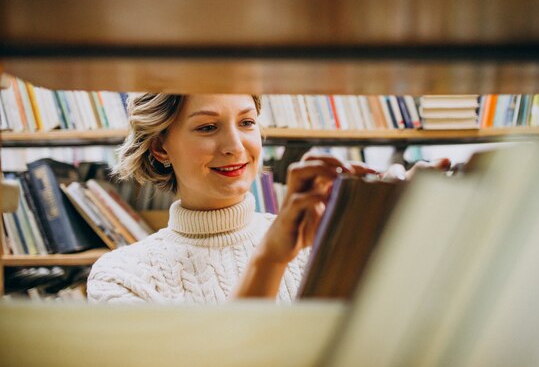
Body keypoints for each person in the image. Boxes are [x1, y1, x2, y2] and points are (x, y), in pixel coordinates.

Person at [87, 93, 449, 303]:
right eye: (208, 127)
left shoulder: (319, 242)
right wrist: (270, 259)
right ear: (160, 147)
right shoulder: (121, 277)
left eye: (246, 122)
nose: (235, 147)